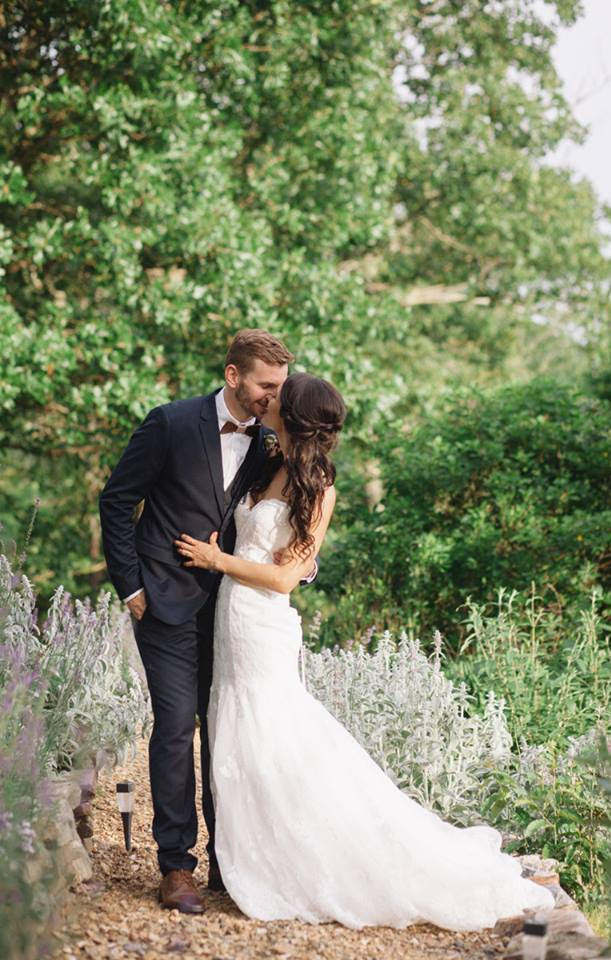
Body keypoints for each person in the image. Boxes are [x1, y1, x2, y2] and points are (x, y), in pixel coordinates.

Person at [175, 372, 555, 931]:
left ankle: (313, 861)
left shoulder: (318, 485)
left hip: (262, 622)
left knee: (274, 734)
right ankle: (256, 858)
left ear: (298, 413)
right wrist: (220, 550)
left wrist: (218, 563)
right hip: (231, 618)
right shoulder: (269, 461)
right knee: (239, 733)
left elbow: (285, 579)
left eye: (280, 395)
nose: (269, 399)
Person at [99, 329, 299, 915]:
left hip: (237, 611)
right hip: (163, 602)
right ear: (234, 376)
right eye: (267, 385)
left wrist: (296, 573)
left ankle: (229, 864)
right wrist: (131, 585)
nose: (275, 397)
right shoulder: (170, 423)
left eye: (282, 386)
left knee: (228, 731)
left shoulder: (272, 441)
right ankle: (177, 866)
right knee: (172, 728)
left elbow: (289, 524)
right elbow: (117, 500)